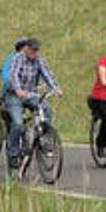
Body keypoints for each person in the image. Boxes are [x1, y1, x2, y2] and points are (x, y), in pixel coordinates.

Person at [4, 37, 62, 171]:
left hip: (30, 94)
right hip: (15, 95)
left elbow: (47, 74)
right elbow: (13, 75)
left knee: (46, 110)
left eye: (37, 51)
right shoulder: (18, 58)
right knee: (18, 123)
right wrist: (18, 90)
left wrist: (56, 88)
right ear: (26, 48)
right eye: (32, 50)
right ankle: (13, 153)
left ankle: (45, 138)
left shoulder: (38, 60)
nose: (35, 53)